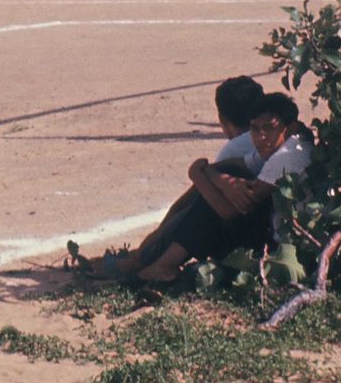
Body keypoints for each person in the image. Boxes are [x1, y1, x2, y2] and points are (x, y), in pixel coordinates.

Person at [103, 91, 310, 286]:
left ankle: (160, 263)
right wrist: (209, 174)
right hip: (272, 236)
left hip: (284, 251)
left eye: (269, 128)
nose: (261, 137)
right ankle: (156, 261)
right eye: (255, 129)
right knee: (218, 181)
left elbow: (232, 209)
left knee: (209, 196)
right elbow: (238, 166)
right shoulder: (277, 146)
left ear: (289, 128)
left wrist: (201, 174)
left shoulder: (289, 155)